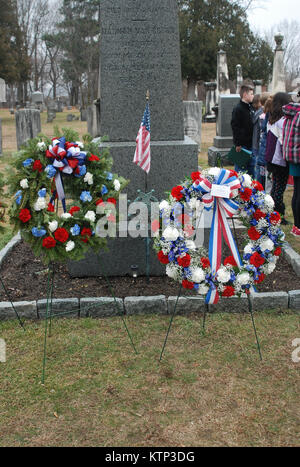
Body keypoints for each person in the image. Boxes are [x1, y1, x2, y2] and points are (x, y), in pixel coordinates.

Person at [265, 92, 291, 225]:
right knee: (279, 188)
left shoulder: (272, 119)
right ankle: (278, 214)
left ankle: (271, 211)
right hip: (280, 159)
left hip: (271, 158)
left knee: (275, 186)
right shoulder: (282, 122)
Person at [282, 92, 300, 237]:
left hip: (293, 157)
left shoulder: (291, 112)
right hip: (298, 156)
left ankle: (296, 225)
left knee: (297, 191)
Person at [231, 84, 255, 176]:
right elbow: (235, 126)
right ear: (245, 94)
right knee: (241, 170)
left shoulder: (250, 107)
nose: (253, 96)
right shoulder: (238, 109)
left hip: (250, 143)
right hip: (242, 145)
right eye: (251, 94)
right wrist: (238, 143)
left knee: (251, 168)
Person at [256, 95, 273, 189]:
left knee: (263, 176)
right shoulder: (266, 118)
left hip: (262, 150)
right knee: (266, 179)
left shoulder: (263, 116)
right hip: (265, 153)